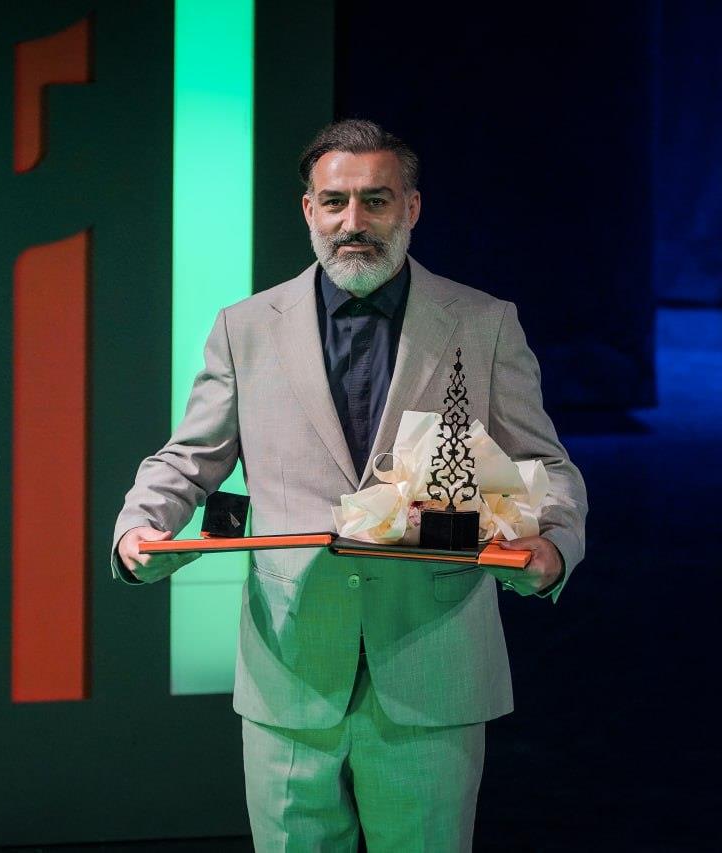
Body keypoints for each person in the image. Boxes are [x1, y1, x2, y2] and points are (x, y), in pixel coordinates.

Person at [111, 119, 587, 852]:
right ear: (309, 209)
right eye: (334, 202)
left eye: (376, 200)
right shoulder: (245, 328)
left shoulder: (484, 323)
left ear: (412, 208)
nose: (353, 223)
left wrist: (553, 543)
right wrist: (139, 526)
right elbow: (187, 458)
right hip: (290, 671)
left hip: (433, 670)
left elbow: (545, 465)